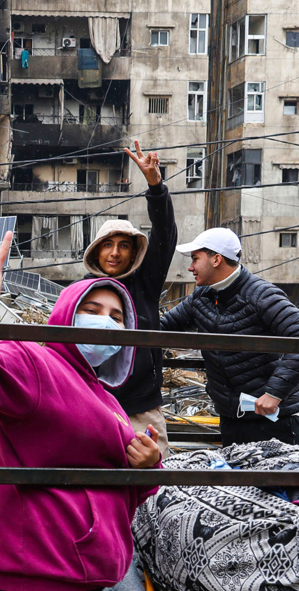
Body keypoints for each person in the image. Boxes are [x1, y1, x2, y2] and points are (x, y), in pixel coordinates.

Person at [0, 227, 161, 591]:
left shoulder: (101, 393)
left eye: (116, 316)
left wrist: (149, 468)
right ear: (65, 315)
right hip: (34, 584)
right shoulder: (33, 362)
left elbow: (116, 478)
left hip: (75, 578)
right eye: (92, 309)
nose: (105, 323)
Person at [161, 227, 299, 447]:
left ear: (216, 259)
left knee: (276, 481)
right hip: (232, 419)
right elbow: (164, 326)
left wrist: (274, 393)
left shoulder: (260, 295)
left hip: (275, 420)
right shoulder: (203, 296)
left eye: (195, 259)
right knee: (237, 481)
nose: (190, 267)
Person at [81, 141, 178, 457]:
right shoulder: (83, 291)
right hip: (92, 402)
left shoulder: (146, 283)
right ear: (97, 250)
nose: (115, 252)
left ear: (134, 251)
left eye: (124, 245)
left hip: (141, 405)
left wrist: (155, 185)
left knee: (150, 484)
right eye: (108, 244)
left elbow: (165, 233)